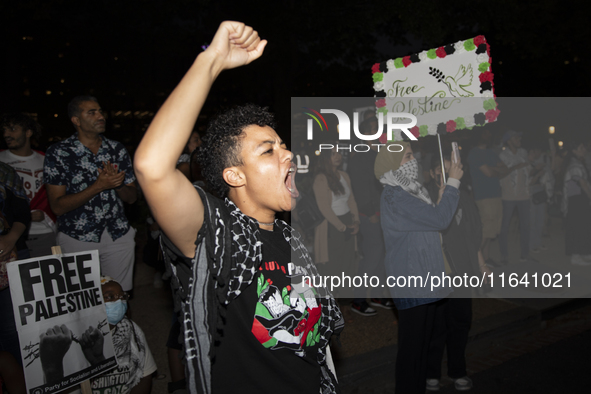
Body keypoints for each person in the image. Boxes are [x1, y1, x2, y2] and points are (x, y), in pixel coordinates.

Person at [134, 22, 343, 394]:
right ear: (234, 175)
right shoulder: (219, 236)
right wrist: (211, 60)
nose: (288, 153)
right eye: (268, 150)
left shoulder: (288, 234)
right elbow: (152, 167)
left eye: (282, 144)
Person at [375, 142, 463, 394]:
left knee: (421, 348)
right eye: (407, 156)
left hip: (424, 276)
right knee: (412, 352)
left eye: (412, 154)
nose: (414, 160)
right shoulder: (396, 194)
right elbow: (439, 220)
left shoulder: (411, 190)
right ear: (392, 164)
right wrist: (454, 184)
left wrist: (437, 200)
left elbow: (428, 222)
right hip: (412, 279)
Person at [43, 96, 138, 293]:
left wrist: (117, 185)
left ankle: (121, 326)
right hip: (77, 238)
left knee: (120, 295)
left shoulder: (116, 149)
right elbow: (57, 206)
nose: (100, 116)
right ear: (76, 120)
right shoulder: (59, 153)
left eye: (100, 111)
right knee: (82, 300)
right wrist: (98, 186)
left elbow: (132, 197)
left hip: (117, 234)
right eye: (91, 112)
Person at [424, 155, 491, 392]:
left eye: (451, 170)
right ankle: (431, 373)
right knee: (437, 325)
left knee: (461, 322)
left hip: (462, 270)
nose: (446, 174)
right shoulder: (426, 197)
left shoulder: (466, 199)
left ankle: (457, 371)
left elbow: (473, 236)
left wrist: (481, 264)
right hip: (439, 269)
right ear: (432, 174)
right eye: (440, 171)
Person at [347, 117, 392, 315]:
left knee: (381, 255)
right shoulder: (360, 156)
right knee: (372, 257)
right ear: (366, 134)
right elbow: (360, 188)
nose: (380, 133)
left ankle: (376, 294)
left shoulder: (376, 154)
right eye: (375, 130)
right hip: (370, 214)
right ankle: (358, 300)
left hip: (382, 212)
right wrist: (371, 212)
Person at [1, 113, 56, 257]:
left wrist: (46, 213)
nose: (6, 134)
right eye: (4, 130)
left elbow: (58, 196)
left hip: (45, 233)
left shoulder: (47, 160)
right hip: (10, 238)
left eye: (12, 129)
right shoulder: (1, 162)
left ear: (28, 132)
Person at [313, 145, 360, 300]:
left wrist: (356, 221)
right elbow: (324, 208)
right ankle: (329, 306)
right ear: (326, 157)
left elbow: (351, 199)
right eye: (333, 153)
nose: (337, 156)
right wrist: (342, 227)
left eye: (338, 152)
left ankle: (346, 302)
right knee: (331, 268)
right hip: (331, 226)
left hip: (347, 222)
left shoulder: (344, 175)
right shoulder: (321, 178)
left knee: (348, 265)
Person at [0, 162, 31, 365]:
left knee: (14, 328)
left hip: (8, 257)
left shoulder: (5, 172)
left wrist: (10, 239)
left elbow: (22, 212)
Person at [467, 129, 505, 266]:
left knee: (492, 229)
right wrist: (495, 170)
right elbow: (489, 173)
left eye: (489, 133)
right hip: (484, 195)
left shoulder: (491, 153)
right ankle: (473, 258)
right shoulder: (474, 153)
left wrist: (493, 169)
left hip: (496, 193)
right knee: (486, 229)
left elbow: (504, 169)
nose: (488, 135)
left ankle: (486, 258)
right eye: (485, 133)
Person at [498, 130, 533, 264]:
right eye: (516, 137)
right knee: (505, 226)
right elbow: (501, 172)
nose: (519, 139)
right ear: (509, 140)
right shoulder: (503, 155)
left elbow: (527, 170)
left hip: (524, 195)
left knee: (525, 226)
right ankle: (504, 254)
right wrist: (517, 167)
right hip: (508, 196)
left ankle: (525, 254)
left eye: (519, 137)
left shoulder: (523, 152)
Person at [562, 141, 591, 265]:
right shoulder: (574, 164)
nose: (584, 149)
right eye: (581, 147)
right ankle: (576, 256)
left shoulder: (578, 162)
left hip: (579, 198)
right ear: (574, 151)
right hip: (576, 199)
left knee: (583, 226)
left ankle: (583, 252)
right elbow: (582, 183)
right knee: (578, 227)